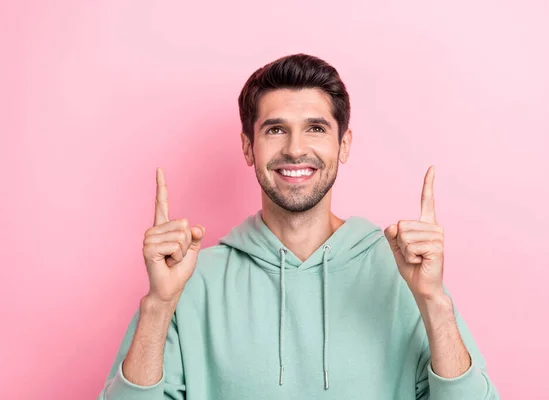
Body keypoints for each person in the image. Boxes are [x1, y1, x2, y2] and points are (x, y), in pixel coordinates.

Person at [98, 54, 500, 399]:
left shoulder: (404, 275)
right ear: (247, 147)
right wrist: (159, 306)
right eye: (275, 129)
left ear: (343, 145)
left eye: (315, 128)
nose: (294, 148)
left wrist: (433, 300)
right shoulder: (189, 280)